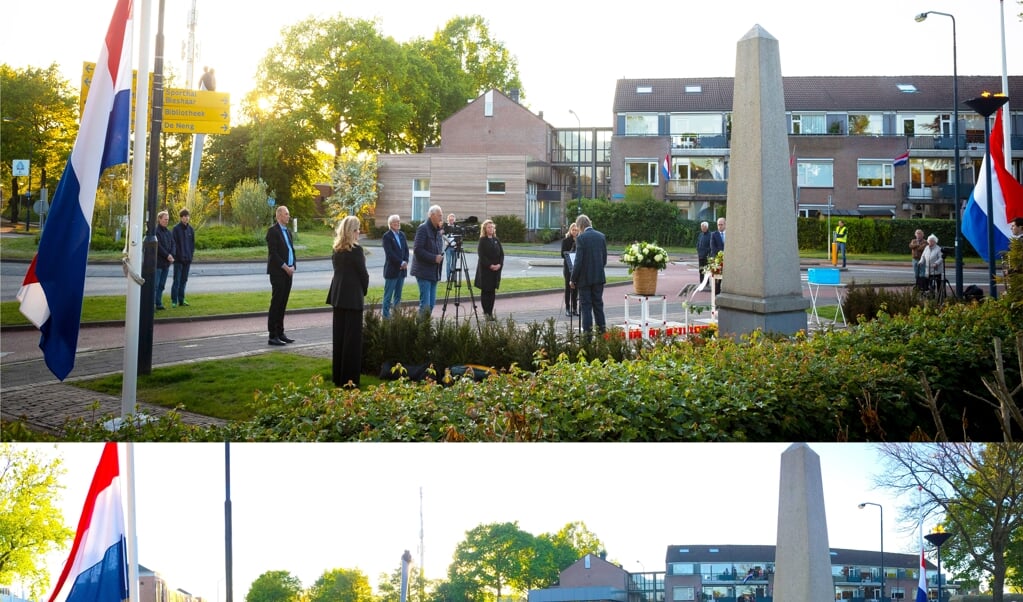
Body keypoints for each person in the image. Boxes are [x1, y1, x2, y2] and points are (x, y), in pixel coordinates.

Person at [326, 216, 369, 388]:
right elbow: (363, 275)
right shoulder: (356, 251)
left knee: (339, 338)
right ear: (351, 231)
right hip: (352, 298)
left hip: (338, 297)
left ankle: (338, 376)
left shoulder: (337, 250)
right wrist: (362, 291)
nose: (359, 232)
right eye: (357, 229)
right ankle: (350, 380)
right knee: (352, 341)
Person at [570, 214, 607, 337]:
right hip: (598, 278)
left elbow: (578, 261)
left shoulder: (581, 238)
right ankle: (602, 336)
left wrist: (573, 279)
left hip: (584, 280)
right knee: (598, 306)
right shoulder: (601, 237)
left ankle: (588, 338)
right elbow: (604, 260)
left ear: (580, 226)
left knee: (586, 308)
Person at [266, 205, 296, 346]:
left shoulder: (288, 232)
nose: (288, 216)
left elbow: (291, 250)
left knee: (283, 303)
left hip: (289, 273)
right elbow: (274, 254)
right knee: (276, 303)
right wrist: (285, 267)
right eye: (286, 214)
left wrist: (293, 265)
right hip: (278, 273)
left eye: (288, 214)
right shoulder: (273, 231)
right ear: (278, 216)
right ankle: (273, 335)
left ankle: (281, 332)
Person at [411, 204, 445, 315]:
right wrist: (434, 258)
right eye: (439, 215)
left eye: (441, 215)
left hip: (434, 272)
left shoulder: (438, 231)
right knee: (425, 304)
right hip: (423, 271)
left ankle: (424, 327)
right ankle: (420, 330)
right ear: (431, 215)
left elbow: (439, 248)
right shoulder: (423, 228)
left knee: (431, 304)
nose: (441, 218)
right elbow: (417, 250)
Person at [474, 219, 504, 320]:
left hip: (495, 271)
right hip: (486, 271)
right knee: (486, 292)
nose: (491, 229)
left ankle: (490, 312)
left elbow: (501, 254)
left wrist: (499, 264)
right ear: (485, 229)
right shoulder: (482, 240)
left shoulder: (496, 240)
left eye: (492, 227)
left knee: (492, 292)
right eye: (489, 227)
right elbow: (481, 256)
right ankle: (486, 312)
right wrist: (490, 265)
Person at [381, 214, 408, 318]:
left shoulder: (402, 235)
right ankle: (386, 317)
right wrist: (400, 263)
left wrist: (405, 262)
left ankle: (396, 316)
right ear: (391, 224)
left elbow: (406, 250)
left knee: (398, 295)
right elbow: (390, 254)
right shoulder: (387, 236)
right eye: (395, 221)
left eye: (398, 221)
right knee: (388, 296)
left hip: (402, 271)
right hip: (392, 271)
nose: (398, 223)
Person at [170, 208, 195, 307]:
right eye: (184, 216)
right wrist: (176, 255)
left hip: (187, 260)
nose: (186, 218)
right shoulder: (176, 229)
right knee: (177, 280)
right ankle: (174, 301)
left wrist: (190, 255)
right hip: (178, 260)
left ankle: (181, 299)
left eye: (188, 216)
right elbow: (173, 243)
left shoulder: (190, 229)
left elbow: (192, 245)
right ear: (181, 218)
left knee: (184, 280)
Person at [154, 210, 175, 310]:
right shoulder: (155, 232)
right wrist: (167, 255)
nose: (166, 221)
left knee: (162, 285)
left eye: (168, 219)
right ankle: (152, 304)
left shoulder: (168, 232)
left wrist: (171, 254)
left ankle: (159, 303)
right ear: (159, 219)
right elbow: (158, 246)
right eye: (165, 219)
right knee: (156, 285)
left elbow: (173, 244)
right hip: (158, 263)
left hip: (166, 264)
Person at [561, 223, 580, 316]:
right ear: (570, 230)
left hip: (576, 268)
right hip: (568, 267)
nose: (574, 232)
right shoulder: (566, 240)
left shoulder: (580, 240)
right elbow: (562, 254)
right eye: (573, 230)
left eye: (576, 230)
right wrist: (570, 252)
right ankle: (567, 308)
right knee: (568, 288)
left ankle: (575, 309)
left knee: (576, 288)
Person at [710, 217, 726, 294]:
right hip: (718, 261)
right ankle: (717, 296)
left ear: (725, 225)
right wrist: (721, 256)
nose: (720, 226)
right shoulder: (714, 235)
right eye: (718, 225)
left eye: (721, 224)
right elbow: (713, 248)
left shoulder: (730, 234)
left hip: (729, 261)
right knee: (717, 282)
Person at [444, 213, 457, 280]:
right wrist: (448, 240)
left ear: (454, 220)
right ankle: (448, 278)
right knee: (448, 262)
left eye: (452, 219)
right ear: (448, 219)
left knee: (454, 263)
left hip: (455, 247)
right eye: (450, 219)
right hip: (448, 247)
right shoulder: (445, 227)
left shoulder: (456, 227)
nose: (451, 221)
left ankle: (453, 278)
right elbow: (442, 235)